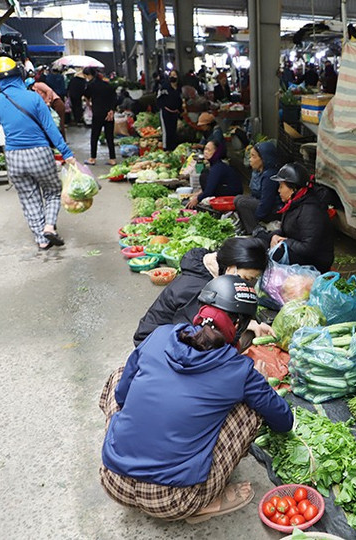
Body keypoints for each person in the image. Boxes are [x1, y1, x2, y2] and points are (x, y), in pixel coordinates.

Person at [100, 275, 293, 523]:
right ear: (240, 325)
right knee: (251, 409)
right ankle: (204, 504)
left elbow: (121, 395)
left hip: (113, 479)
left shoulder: (160, 335)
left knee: (121, 373)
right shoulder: (240, 371)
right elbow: (283, 420)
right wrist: (261, 384)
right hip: (174, 501)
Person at [0, 56, 76, 250]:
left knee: (29, 198)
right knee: (53, 191)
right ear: (18, 74)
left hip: (14, 157)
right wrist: (66, 153)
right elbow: (51, 128)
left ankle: (41, 239)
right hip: (40, 153)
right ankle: (49, 227)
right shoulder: (33, 98)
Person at [133, 236, 272, 346]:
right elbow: (196, 340)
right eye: (246, 279)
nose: (246, 285)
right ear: (230, 268)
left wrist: (250, 324)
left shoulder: (210, 268)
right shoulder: (199, 291)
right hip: (153, 345)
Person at [254, 162, 334, 273]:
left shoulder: (311, 211)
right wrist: (274, 236)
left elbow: (308, 248)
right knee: (260, 240)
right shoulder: (294, 204)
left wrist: (285, 242)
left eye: (281, 186)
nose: (279, 191)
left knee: (277, 254)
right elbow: (286, 230)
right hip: (298, 249)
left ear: (293, 189)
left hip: (315, 261)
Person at [234, 141, 280, 234]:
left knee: (242, 202)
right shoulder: (258, 172)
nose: (250, 159)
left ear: (263, 159)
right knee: (238, 199)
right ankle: (247, 229)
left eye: (253, 156)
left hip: (272, 210)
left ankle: (256, 233)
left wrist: (256, 217)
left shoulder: (270, 176)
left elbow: (266, 204)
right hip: (262, 205)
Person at [186, 139, 242, 208]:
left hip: (233, 197)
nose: (205, 152)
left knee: (204, 176)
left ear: (216, 152)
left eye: (209, 150)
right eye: (205, 149)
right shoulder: (215, 165)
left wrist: (197, 199)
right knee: (205, 173)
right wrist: (199, 193)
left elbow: (209, 191)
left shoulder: (218, 167)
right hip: (229, 191)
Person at [82, 67, 118, 165]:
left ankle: (93, 158)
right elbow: (114, 98)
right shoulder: (107, 85)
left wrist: (88, 102)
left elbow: (86, 96)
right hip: (109, 114)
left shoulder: (91, 85)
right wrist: (112, 110)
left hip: (98, 113)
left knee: (95, 136)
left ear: (89, 75)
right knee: (109, 136)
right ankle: (112, 159)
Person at [157, 70, 182, 151]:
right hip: (165, 112)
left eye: (174, 75)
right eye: (171, 75)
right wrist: (162, 107)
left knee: (173, 130)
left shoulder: (179, 88)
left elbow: (180, 100)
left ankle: (173, 148)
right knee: (166, 131)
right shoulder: (165, 87)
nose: (173, 77)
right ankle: (166, 148)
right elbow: (159, 98)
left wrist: (180, 110)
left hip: (174, 113)